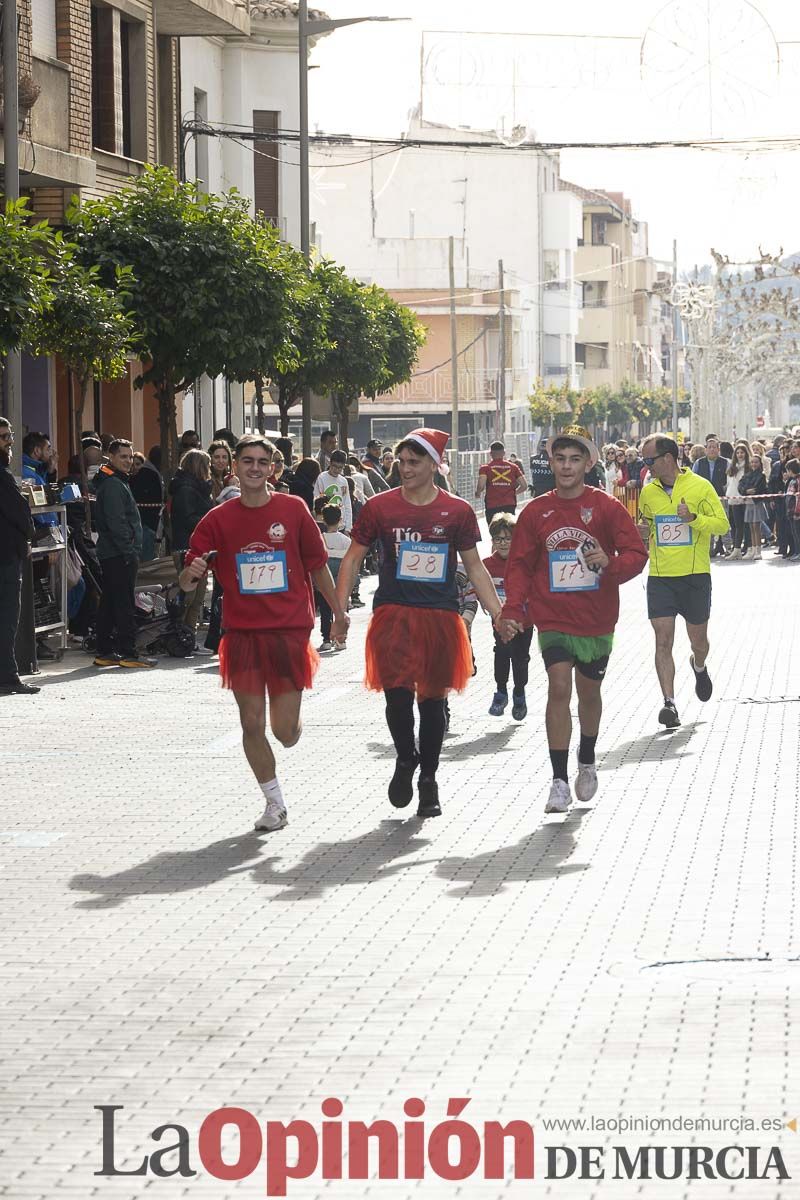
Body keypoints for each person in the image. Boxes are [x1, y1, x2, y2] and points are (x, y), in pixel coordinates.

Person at [179, 435, 348, 831]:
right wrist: (191, 574)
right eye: (246, 461)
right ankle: (274, 804)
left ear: (273, 468)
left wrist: (338, 611)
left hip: (288, 630)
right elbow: (187, 581)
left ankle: (293, 722)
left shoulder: (293, 509)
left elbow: (316, 565)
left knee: (284, 732)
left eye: (262, 462)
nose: (254, 468)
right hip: (242, 633)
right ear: (233, 466)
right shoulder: (217, 519)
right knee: (251, 723)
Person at [334, 428, 504, 819]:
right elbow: (352, 558)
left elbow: (474, 567)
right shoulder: (380, 507)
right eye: (401, 462)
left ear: (433, 465)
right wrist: (341, 611)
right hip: (394, 613)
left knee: (432, 704)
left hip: (440, 617)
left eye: (414, 462)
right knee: (396, 697)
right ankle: (405, 758)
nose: (405, 469)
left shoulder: (458, 511)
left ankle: (428, 778)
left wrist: (498, 613)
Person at [498, 426, 648, 813]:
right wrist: (513, 609)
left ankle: (586, 757)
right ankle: (559, 780)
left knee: (589, 694)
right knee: (559, 686)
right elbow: (518, 566)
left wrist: (609, 564)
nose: (566, 466)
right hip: (552, 617)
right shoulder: (535, 511)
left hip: (596, 618)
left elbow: (636, 553)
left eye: (574, 459)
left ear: (587, 464)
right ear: (551, 463)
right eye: (560, 459)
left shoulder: (606, 507)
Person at [638, 436, 729, 729]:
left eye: (649, 461)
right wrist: (641, 532)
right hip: (661, 578)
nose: (646, 466)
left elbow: (722, 525)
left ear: (667, 458)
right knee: (662, 641)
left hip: (694, 577)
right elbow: (649, 527)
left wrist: (693, 518)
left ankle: (699, 666)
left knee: (698, 642)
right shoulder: (648, 493)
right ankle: (669, 703)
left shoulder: (700, 487)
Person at [90, 439, 154, 669]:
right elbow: (117, 523)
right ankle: (129, 652)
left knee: (109, 602)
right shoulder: (114, 485)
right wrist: (129, 551)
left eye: (130, 457)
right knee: (124, 603)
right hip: (119, 553)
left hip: (114, 552)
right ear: (111, 457)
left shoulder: (114, 482)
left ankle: (105, 651)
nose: (128, 461)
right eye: (123, 457)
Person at [0, 418, 39, 695]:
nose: (9, 441)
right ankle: (8, 676)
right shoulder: (2, 478)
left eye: (9, 435)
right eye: (3, 437)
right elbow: (20, 514)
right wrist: (28, 533)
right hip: (5, 559)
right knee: (7, 618)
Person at [482, 513, 532, 721]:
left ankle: (519, 693)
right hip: (500, 621)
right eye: (498, 539)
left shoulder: (526, 563)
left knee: (520, 659)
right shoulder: (486, 564)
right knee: (502, 653)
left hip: (524, 622)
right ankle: (500, 691)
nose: (502, 543)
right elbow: (480, 588)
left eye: (507, 538)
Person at [169, 448, 215, 648]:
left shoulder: (198, 488)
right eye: (207, 465)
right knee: (189, 595)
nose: (210, 470)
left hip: (198, 547)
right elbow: (187, 519)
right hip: (186, 547)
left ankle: (189, 635)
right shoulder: (186, 489)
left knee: (198, 596)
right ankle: (180, 633)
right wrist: (209, 522)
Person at [318, 505, 350, 651]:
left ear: (323, 520)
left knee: (325, 608)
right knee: (341, 607)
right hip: (341, 576)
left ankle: (326, 639)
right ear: (340, 520)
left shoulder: (320, 538)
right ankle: (341, 639)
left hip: (325, 577)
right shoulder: (346, 540)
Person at [693, 435, 729, 557]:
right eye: (709, 447)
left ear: (718, 449)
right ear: (706, 449)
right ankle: (708, 549)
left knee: (724, 523)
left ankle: (728, 548)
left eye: (714, 447)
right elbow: (694, 479)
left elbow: (729, 480)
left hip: (721, 498)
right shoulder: (699, 463)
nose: (712, 449)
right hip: (704, 499)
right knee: (707, 524)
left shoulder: (725, 462)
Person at [475, 440, 527, 522]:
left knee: (494, 530)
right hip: (509, 504)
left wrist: (478, 493)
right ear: (504, 453)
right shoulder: (514, 467)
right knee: (509, 531)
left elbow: (481, 486)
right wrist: (513, 493)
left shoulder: (485, 468)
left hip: (492, 504)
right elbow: (524, 486)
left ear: (491, 454)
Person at [130, 445, 164, 562]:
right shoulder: (149, 474)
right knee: (147, 562)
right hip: (147, 524)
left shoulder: (151, 473)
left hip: (147, 524)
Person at [739, 451, 769, 561]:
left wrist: (749, 490)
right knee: (751, 527)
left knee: (757, 527)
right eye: (752, 462)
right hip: (748, 503)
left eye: (756, 462)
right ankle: (752, 549)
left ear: (760, 463)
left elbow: (759, 488)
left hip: (757, 503)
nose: (753, 464)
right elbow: (741, 486)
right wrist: (746, 491)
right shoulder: (747, 475)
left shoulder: (762, 475)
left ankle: (758, 551)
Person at [314, 450, 352, 531]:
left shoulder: (343, 481)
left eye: (340, 467)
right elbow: (316, 501)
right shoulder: (322, 477)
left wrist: (348, 528)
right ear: (330, 463)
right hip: (325, 524)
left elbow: (347, 504)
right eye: (334, 466)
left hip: (341, 525)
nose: (337, 470)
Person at [724, 443, 750, 558]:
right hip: (733, 498)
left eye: (742, 452)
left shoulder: (748, 466)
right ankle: (737, 548)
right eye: (738, 452)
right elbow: (729, 482)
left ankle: (744, 548)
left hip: (744, 498)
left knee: (745, 525)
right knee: (735, 524)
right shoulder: (732, 466)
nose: (740, 455)